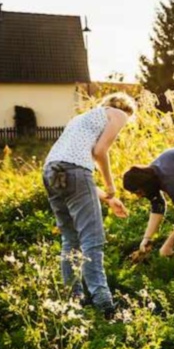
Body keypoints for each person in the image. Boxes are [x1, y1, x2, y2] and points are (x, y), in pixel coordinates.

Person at [41, 93, 136, 317]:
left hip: (50, 171)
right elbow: (99, 152)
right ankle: (105, 305)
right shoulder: (119, 113)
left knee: (70, 239)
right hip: (74, 172)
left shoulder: (81, 120)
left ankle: (73, 303)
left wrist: (109, 199)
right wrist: (111, 186)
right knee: (92, 239)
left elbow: (75, 175)